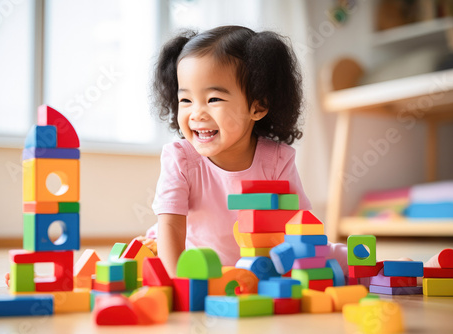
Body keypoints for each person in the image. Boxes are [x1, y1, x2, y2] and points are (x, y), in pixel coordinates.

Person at [142, 25, 347, 277]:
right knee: (149, 257)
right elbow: (171, 226)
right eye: (186, 100)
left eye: (213, 99)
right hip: (194, 258)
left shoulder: (276, 160)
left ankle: (383, 265)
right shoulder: (181, 158)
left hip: (258, 262)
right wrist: (176, 284)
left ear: (258, 107)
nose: (196, 113)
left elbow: (299, 226)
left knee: (333, 256)